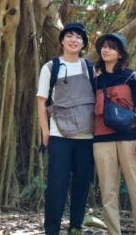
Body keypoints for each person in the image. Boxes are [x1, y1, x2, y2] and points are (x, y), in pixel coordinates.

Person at [37, 22, 96, 235]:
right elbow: (41, 101)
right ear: (62, 40)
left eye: (79, 37)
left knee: (81, 184)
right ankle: (52, 230)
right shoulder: (51, 67)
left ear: (83, 44)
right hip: (59, 135)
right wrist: (45, 132)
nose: (74, 40)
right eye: (69, 35)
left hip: (86, 136)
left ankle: (75, 226)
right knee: (56, 185)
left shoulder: (89, 68)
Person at [92, 32, 136, 235]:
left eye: (111, 47)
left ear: (120, 54)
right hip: (102, 140)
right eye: (103, 46)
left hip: (129, 139)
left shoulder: (132, 77)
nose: (106, 50)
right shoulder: (96, 81)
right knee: (108, 194)